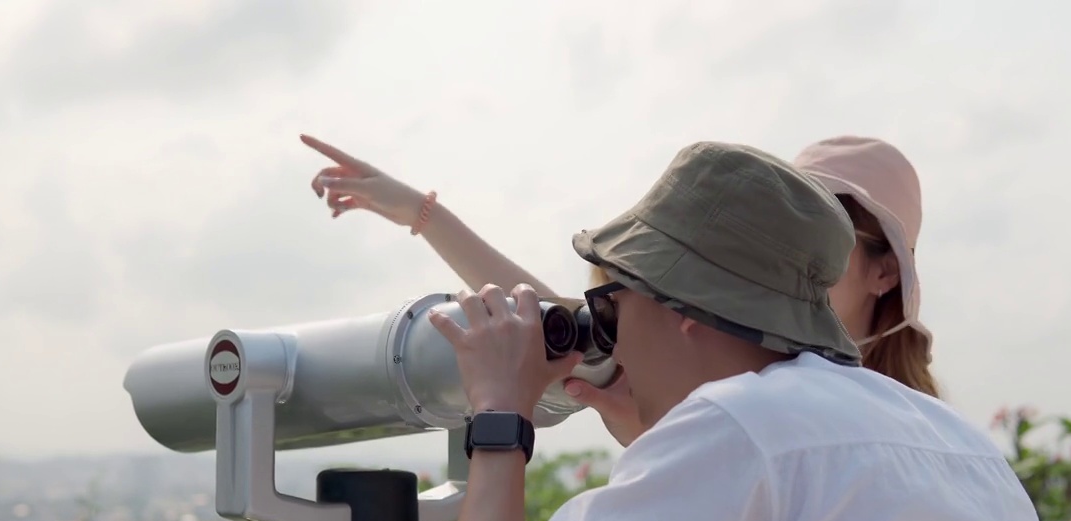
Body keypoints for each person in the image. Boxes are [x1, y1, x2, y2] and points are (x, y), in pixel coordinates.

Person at [369, 140, 1071, 521]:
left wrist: (500, 414)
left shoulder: (736, 433)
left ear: (683, 310)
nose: (606, 337)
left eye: (609, 308)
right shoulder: (944, 433)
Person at [300, 133, 938, 446]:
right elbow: (572, 328)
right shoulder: (722, 357)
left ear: (885, 271)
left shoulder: (900, 426)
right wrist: (422, 213)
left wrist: (499, 424)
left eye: (834, 221)